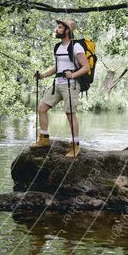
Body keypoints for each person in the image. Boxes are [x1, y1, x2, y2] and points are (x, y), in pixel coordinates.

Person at [31, 18, 90, 158]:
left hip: (71, 85)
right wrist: (43, 75)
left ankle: (75, 146)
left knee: (70, 114)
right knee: (42, 108)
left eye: (59, 28)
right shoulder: (58, 47)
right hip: (57, 84)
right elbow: (58, 67)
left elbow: (86, 67)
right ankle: (44, 139)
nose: (56, 30)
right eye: (57, 28)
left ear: (67, 30)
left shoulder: (76, 47)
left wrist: (73, 75)